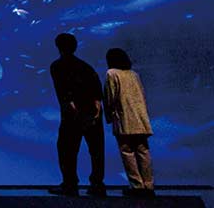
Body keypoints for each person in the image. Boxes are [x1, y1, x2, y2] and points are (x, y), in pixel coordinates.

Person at [48, 33, 106, 198]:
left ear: (58, 47)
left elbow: (62, 89)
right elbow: (97, 89)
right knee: (96, 150)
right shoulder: (86, 66)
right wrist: (97, 108)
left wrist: (71, 105)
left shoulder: (57, 66)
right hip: (93, 112)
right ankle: (97, 184)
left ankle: (70, 184)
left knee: (66, 149)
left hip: (73, 114)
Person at [103, 48, 154, 198]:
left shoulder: (111, 73)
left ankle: (137, 185)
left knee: (127, 151)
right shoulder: (134, 74)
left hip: (124, 117)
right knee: (143, 150)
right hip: (140, 118)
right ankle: (149, 185)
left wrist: (108, 116)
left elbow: (110, 97)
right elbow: (142, 95)